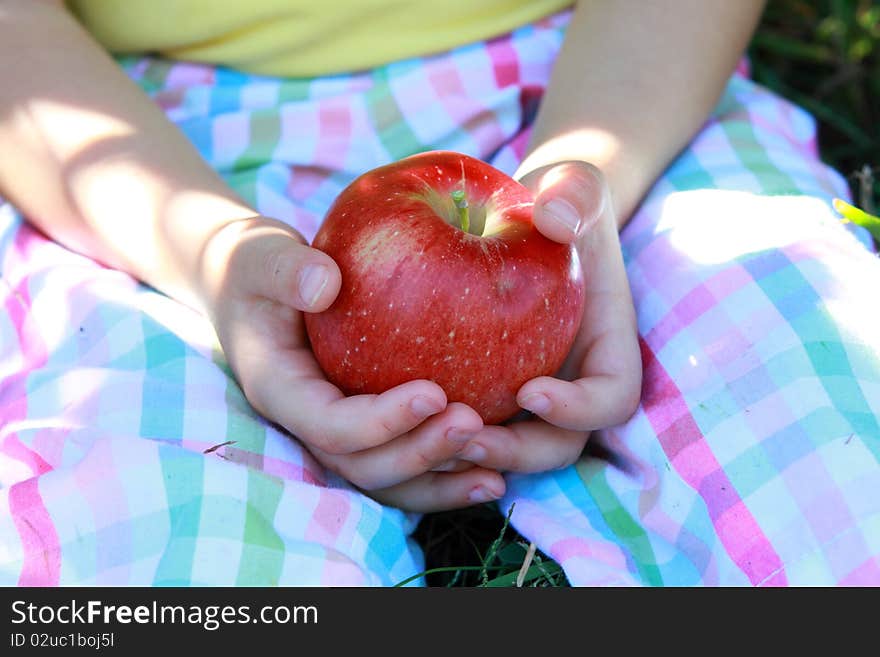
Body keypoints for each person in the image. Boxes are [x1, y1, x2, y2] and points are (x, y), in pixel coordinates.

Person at [1, 0, 877, 586]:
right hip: (137, 142)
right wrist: (206, 250)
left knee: (825, 429)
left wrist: (589, 181)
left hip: (606, 77)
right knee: (132, 539)